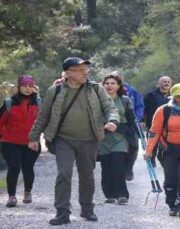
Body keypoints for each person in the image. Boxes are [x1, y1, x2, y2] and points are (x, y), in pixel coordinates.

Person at [28, 57, 120, 225]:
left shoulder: (96, 89)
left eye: (86, 69)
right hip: (64, 139)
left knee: (87, 176)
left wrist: (112, 120)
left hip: (89, 139)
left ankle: (87, 209)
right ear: (68, 73)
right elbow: (43, 116)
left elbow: (110, 107)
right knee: (64, 174)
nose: (85, 72)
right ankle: (62, 213)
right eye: (80, 69)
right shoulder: (54, 91)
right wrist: (34, 137)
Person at [144, 83, 180, 217]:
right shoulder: (163, 111)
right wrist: (149, 150)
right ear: (176, 97)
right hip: (168, 150)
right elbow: (154, 132)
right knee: (171, 179)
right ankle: (173, 205)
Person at [0, 75, 40, 207]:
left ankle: (27, 192)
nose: (27, 88)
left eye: (30, 85)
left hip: (31, 142)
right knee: (14, 167)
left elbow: (44, 122)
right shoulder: (9, 103)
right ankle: (11, 196)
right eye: (24, 85)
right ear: (19, 87)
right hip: (10, 142)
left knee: (28, 168)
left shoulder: (39, 103)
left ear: (33, 87)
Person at [98, 73, 137, 205]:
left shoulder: (125, 100)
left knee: (118, 166)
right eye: (107, 83)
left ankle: (122, 195)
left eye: (113, 83)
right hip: (102, 139)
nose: (109, 86)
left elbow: (132, 119)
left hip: (121, 138)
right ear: (103, 86)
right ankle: (109, 195)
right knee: (106, 167)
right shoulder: (97, 100)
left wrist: (136, 137)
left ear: (119, 85)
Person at [109, 70, 144, 181]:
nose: (115, 79)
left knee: (133, 146)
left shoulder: (132, 91)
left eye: (118, 77)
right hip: (113, 125)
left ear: (122, 79)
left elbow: (139, 106)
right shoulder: (105, 91)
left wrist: (137, 118)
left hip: (130, 123)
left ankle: (129, 168)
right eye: (113, 77)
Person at [143, 76, 172, 166]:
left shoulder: (174, 95)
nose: (166, 83)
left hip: (168, 125)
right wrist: (142, 120)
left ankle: (163, 158)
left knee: (166, 143)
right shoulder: (150, 95)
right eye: (164, 81)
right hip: (152, 124)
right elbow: (144, 108)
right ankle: (151, 158)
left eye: (168, 81)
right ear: (159, 83)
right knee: (152, 141)